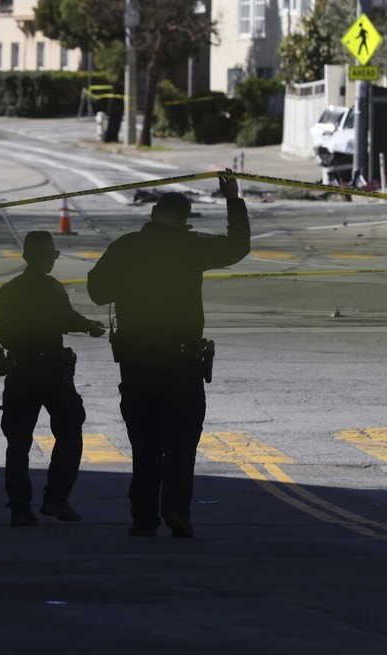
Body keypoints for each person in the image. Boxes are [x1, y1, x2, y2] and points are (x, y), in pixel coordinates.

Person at [86, 170, 250, 538]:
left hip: (137, 363)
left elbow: (97, 292)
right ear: (184, 221)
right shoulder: (190, 248)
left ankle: (143, 518)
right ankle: (177, 510)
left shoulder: (126, 247)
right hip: (182, 362)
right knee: (181, 443)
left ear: (153, 215)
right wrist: (232, 199)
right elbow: (238, 246)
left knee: (145, 446)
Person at [0, 231, 106, 528]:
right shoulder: (51, 288)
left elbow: (4, 335)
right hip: (51, 372)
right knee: (70, 433)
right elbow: (65, 319)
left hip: (20, 372)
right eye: (52, 255)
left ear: (24, 257)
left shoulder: (8, 290)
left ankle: (19, 508)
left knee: (18, 443)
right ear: (47, 258)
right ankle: (56, 498)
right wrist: (90, 326)